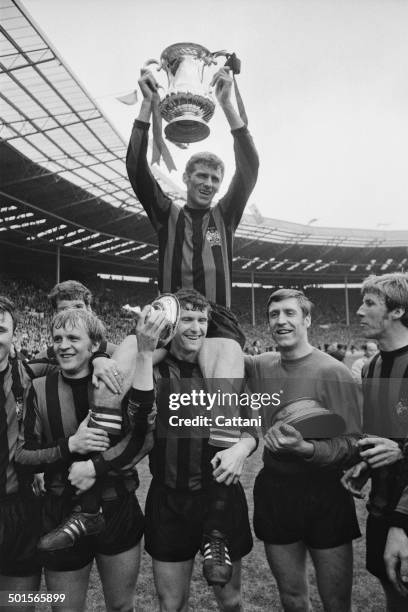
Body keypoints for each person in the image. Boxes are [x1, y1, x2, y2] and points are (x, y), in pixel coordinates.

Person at [126, 64, 259, 582]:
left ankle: (218, 525)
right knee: (115, 368)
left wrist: (229, 107)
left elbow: (251, 165)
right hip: (168, 315)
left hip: (218, 322)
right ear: (185, 180)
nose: (206, 182)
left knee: (221, 393)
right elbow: (137, 168)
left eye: (214, 178)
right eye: (199, 176)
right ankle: (91, 479)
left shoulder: (227, 216)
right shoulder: (168, 214)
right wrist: (144, 107)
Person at [16, 308, 163, 611]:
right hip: (59, 510)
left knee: (122, 606)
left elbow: (141, 439)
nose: (63, 344)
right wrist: (71, 444)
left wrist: (95, 467)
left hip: (117, 506)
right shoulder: (40, 389)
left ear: (95, 345)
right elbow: (26, 456)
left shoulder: (119, 381)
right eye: (57, 338)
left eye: (73, 337)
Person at [245, 288, 362, 612]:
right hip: (276, 491)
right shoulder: (259, 365)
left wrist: (307, 448)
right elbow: (208, 349)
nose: (280, 321)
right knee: (293, 599)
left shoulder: (334, 372)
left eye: (290, 313)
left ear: (307, 319)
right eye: (273, 314)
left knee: (337, 603)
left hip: (325, 493)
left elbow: (354, 445)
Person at [144, 288, 256, 610]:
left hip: (221, 496)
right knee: (171, 603)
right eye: (187, 320)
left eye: (202, 319)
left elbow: (252, 425)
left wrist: (243, 447)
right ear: (171, 324)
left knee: (231, 600)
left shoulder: (226, 364)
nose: (196, 328)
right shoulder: (156, 369)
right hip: (169, 499)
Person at [342, 273, 408, 611]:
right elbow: (389, 433)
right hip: (382, 505)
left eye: (370, 303)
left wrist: (402, 523)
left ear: (396, 312)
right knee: (393, 589)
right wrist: (367, 465)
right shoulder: (371, 367)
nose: (359, 311)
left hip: (404, 512)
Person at [0, 297, 42, 612]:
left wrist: (100, 359)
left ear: (14, 335)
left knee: (19, 604)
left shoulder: (27, 375)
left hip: (19, 506)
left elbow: (89, 347)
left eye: (1, 329)